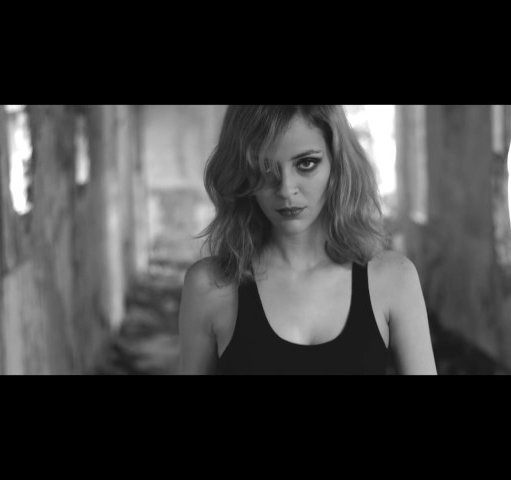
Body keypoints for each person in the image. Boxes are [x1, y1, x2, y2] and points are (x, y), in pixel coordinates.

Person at [178, 105, 437, 375]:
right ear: (242, 172)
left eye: (306, 163)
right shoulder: (210, 286)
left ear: (337, 163)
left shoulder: (394, 279)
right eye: (264, 167)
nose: (286, 188)